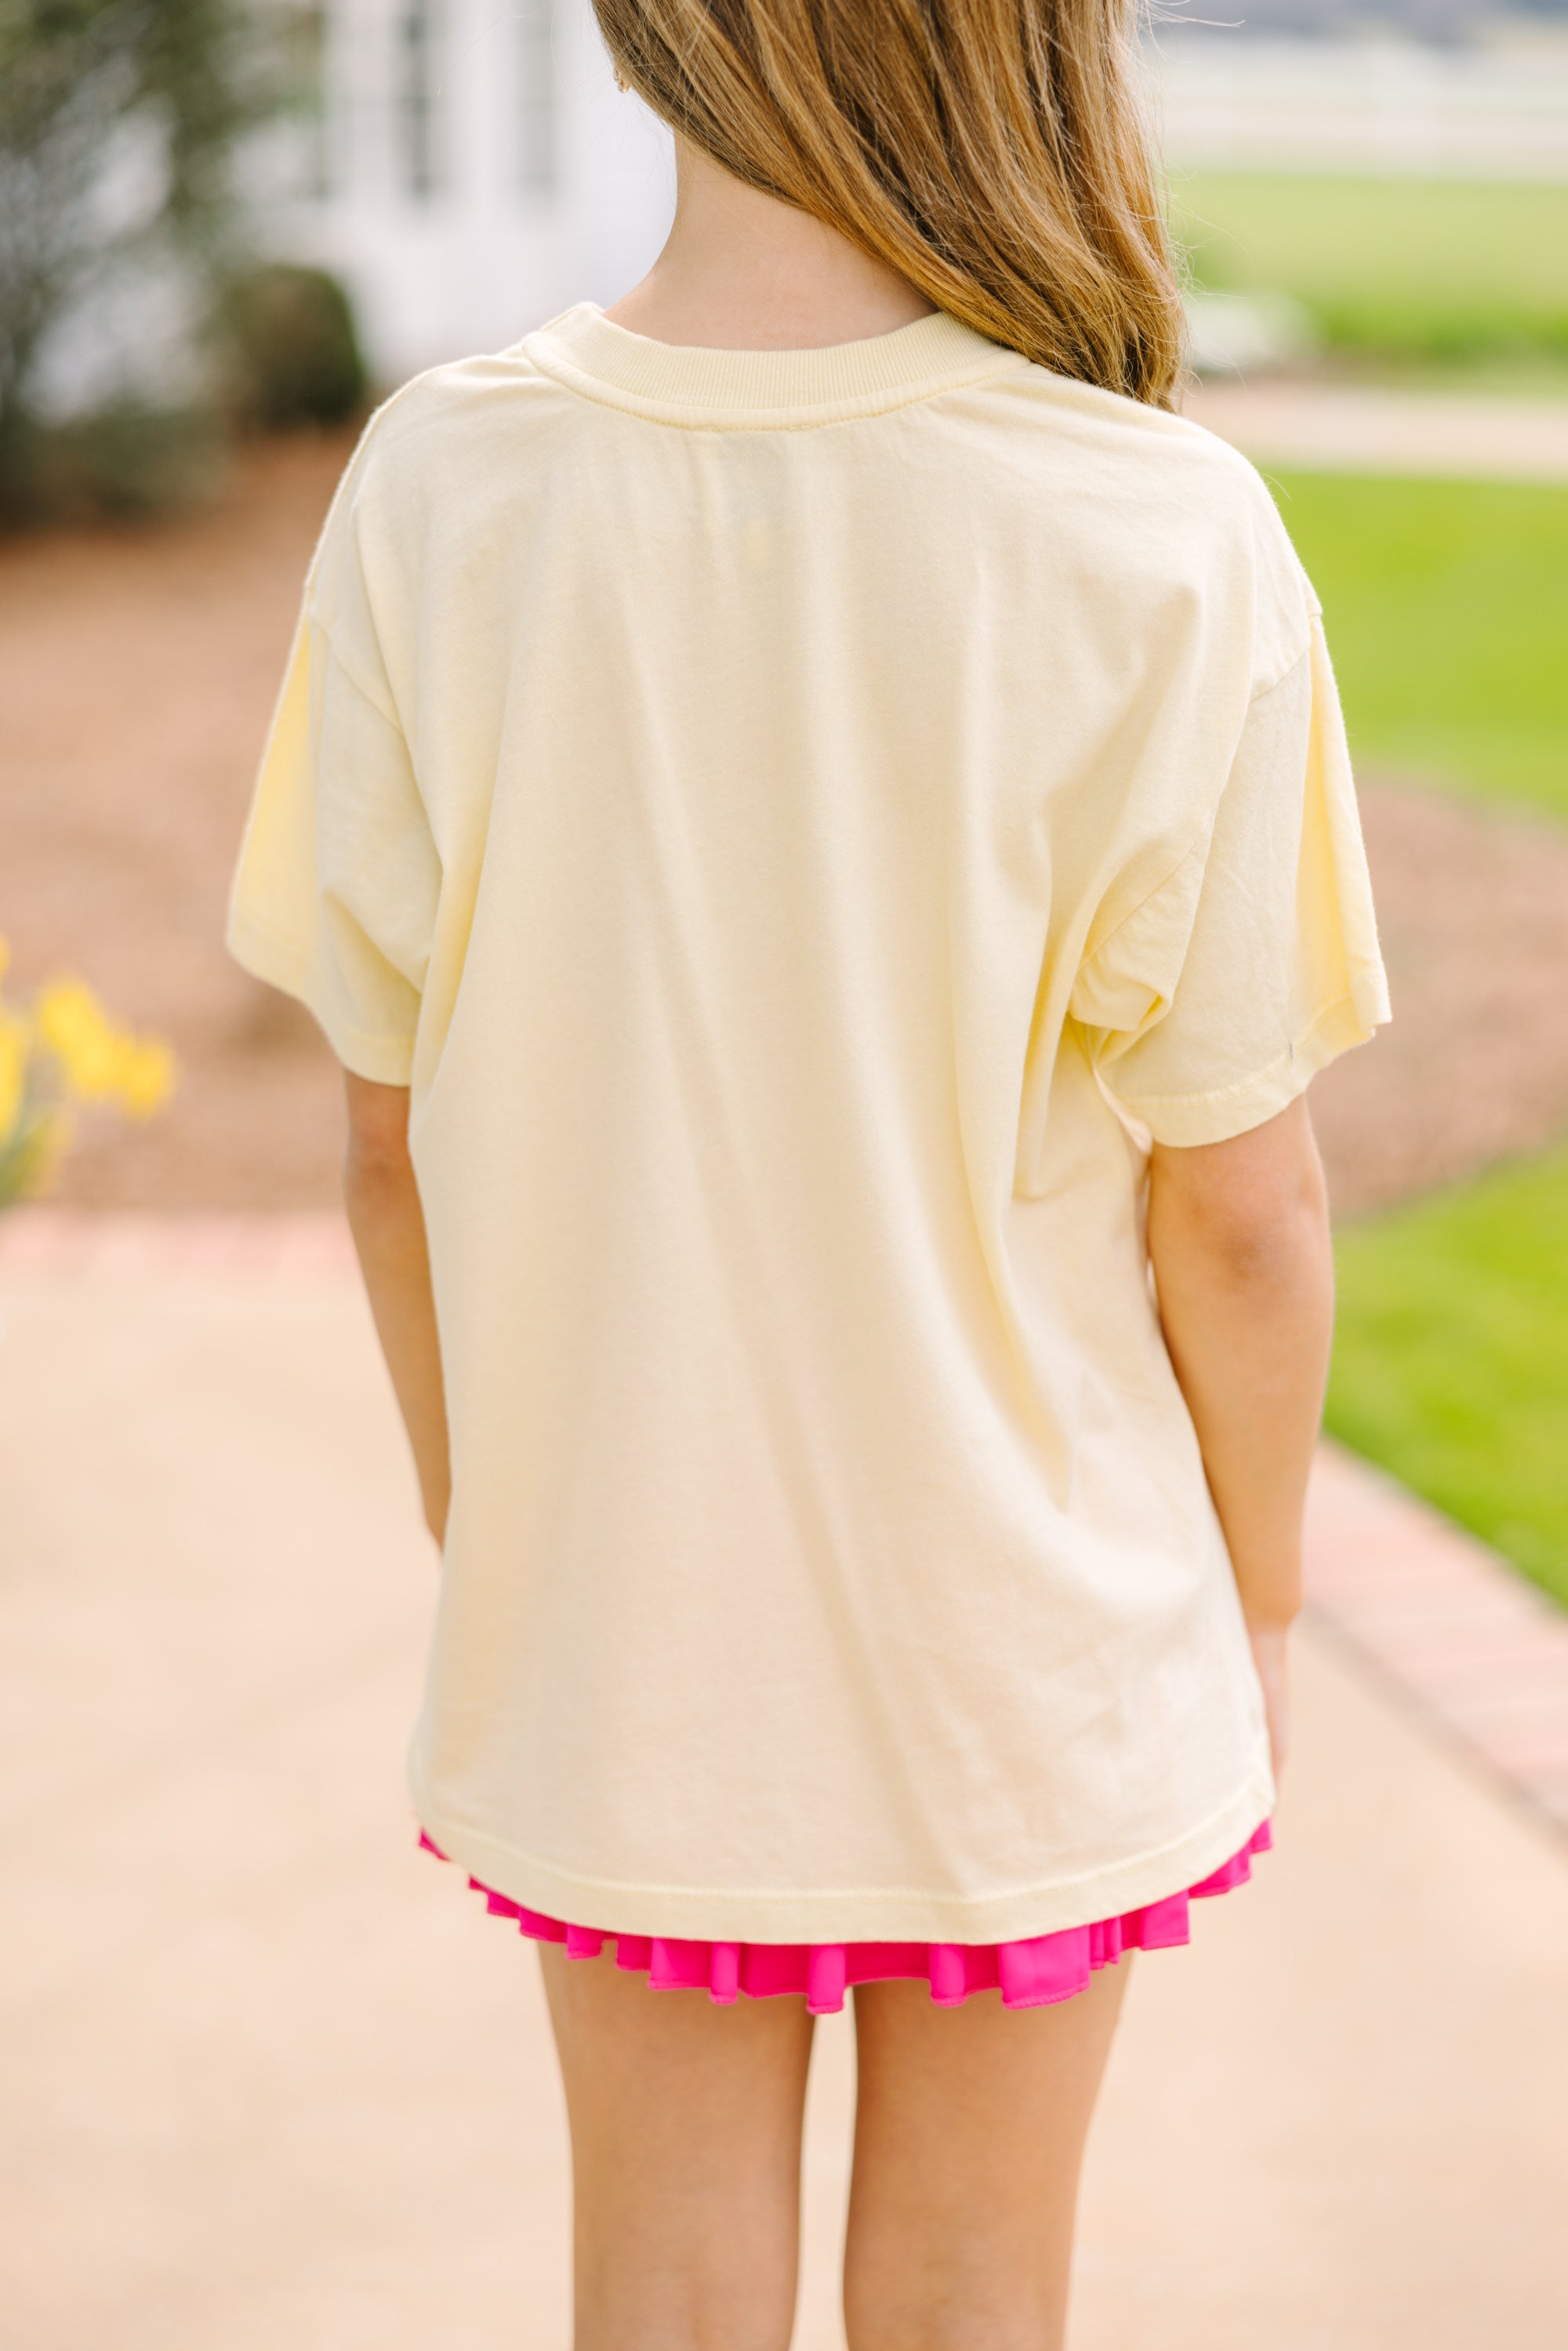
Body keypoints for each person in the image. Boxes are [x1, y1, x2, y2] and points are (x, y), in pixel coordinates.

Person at [227, 2, 1389, 2341]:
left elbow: (388, 1141)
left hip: (625, 1631)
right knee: (976, 2291)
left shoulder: (442, 489)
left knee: (656, 2293)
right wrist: (1254, 1603)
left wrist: (510, 1526)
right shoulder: (1161, 530)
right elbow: (1242, 1218)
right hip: (1032, 1663)